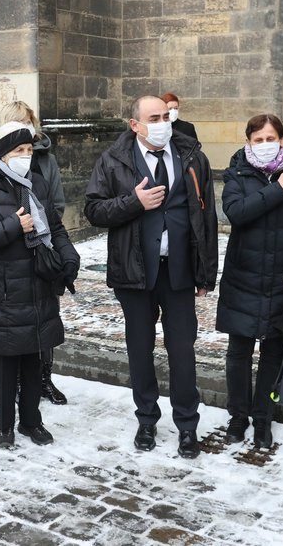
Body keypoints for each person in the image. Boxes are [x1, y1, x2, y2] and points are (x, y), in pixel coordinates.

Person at [85, 95, 218, 459]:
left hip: (178, 272)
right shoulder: (113, 160)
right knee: (140, 351)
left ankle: (187, 425)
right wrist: (133, 202)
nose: (162, 122)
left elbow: (206, 218)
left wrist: (206, 272)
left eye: (165, 115)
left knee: (182, 352)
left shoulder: (192, 156)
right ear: (135, 125)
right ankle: (146, 418)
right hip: (135, 271)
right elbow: (93, 209)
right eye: (153, 117)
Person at [0, 122, 80, 449]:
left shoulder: (35, 181)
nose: (26, 157)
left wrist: (69, 258)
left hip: (37, 285)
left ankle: (31, 422)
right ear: (3, 154)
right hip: (2, 290)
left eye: (29, 151)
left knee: (33, 357)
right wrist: (13, 225)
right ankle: (5, 427)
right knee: (6, 363)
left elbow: (55, 227)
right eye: (18, 151)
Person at [217, 114, 283, 449]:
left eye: (270, 138)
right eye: (257, 139)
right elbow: (236, 213)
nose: (264, 145)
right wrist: (279, 189)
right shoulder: (237, 170)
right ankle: (238, 415)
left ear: (282, 139)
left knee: (273, 353)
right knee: (239, 352)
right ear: (248, 141)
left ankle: (263, 418)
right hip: (244, 276)